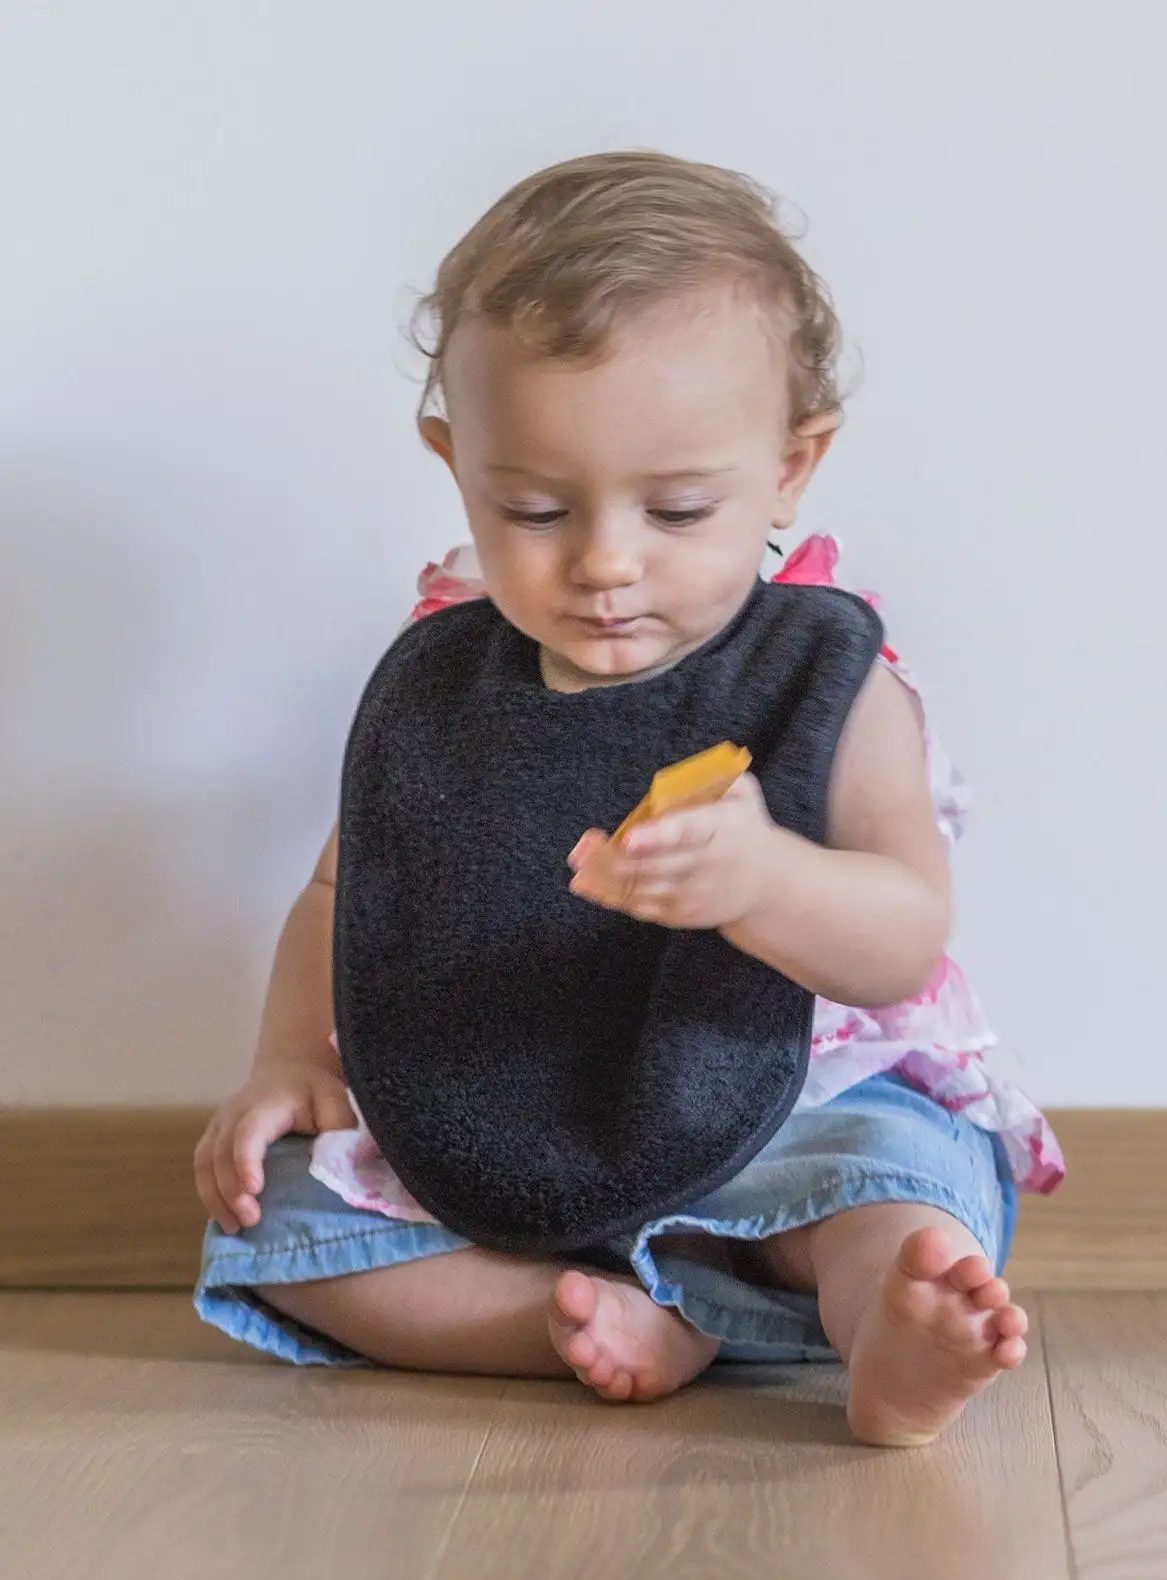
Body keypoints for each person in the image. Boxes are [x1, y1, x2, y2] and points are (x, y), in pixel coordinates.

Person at [193, 151, 1062, 1448]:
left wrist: (767, 883)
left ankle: (884, 1327)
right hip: (513, 1103)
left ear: (792, 466)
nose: (605, 561)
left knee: (901, 1186)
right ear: (455, 462)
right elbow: (349, 893)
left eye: (679, 509)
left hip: (787, 1119)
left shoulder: (826, 680)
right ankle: (586, 1317)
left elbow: (902, 942)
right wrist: (286, 1060)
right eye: (536, 508)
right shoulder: (443, 685)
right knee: (285, 1225)